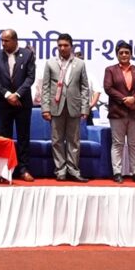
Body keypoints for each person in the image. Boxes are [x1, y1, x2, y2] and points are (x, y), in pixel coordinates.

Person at [41, 34, 91, 183]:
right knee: (56, 140)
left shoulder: (80, 64)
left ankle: (74, 170)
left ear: (71, 46)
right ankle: (60, 171)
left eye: (65, 45)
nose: (62, 48)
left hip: (74, 107)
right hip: (56, 106)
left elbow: (84, 87)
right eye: (60, 45)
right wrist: (45, 108)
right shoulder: (50, 63)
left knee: (74, 141)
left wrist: (85, 108)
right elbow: (45, 87)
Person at [0, 29, 36, 182]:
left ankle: (23, 169)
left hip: (22, 102)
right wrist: (7, 95)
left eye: (6, 40)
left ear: (15, 40)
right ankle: (5, 170)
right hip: (4, 103)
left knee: (23, 136)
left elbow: (30, 78)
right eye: (2, 40)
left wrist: (17, 94)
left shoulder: (27, 54)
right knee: (5, 137)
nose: (3, 43)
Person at [104, 41, 135, 183]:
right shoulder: (110, 70)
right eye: (121, 53)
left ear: (131, 54)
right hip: (117, 112)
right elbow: (108, 88)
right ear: (117, 55)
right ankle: (117, 172)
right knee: (117, 143)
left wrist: (133, 98)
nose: (124, 55)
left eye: (127, 52)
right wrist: (125, 100)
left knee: (134, 143)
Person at [74, 49, 100, 126]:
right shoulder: (67, 75)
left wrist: (91, 105)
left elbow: (97, 91)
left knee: (87, 131)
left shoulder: (90, 76)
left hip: (87, 111)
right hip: (71, 111)